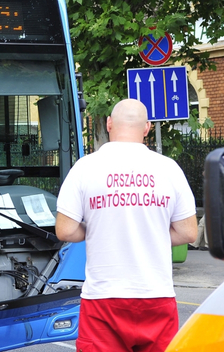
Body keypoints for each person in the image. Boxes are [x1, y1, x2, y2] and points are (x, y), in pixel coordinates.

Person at [55, 98, 197, 352]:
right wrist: (152, 232)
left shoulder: (84, 168)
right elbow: (187, 232)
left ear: (109, 123)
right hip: (156, 295)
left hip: (102, 299)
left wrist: (99, 228)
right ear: (147, 128)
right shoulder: (169, 169)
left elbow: (64, 230)